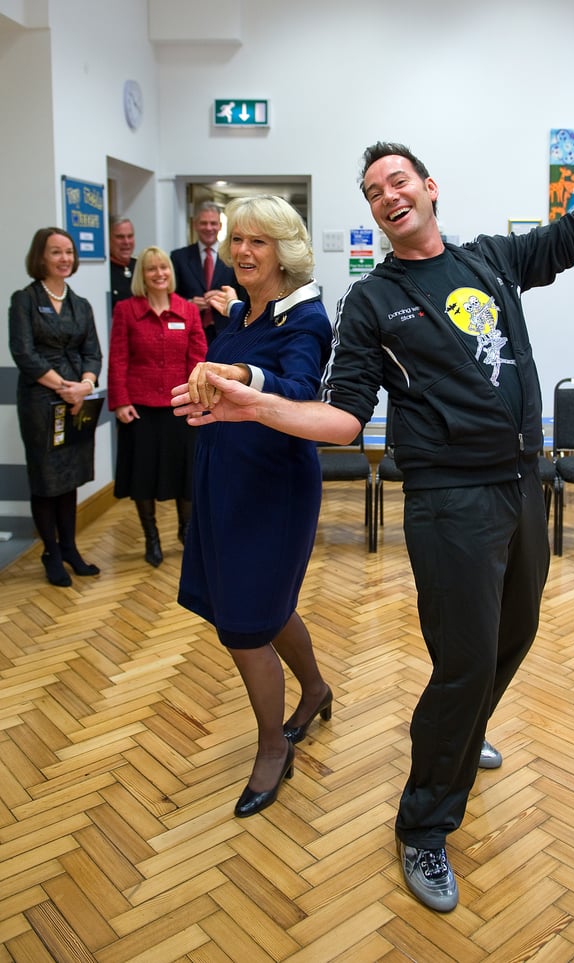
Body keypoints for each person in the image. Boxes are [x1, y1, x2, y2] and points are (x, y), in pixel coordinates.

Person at [173, 117, 574, 911]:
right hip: (448, 502)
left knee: (516, 634)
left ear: (429, 187)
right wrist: (258, 406)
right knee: (465, 661)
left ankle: (463, 727)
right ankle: (423, 824)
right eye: (374, 193)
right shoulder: (374, 301)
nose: (386, 197)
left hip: (522, 484)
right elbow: (343, 419)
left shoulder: (493, 259)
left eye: (398, 182)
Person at [177, 194, 333, 819]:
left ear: (284, 251)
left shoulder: (306, 318)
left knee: (245, 628)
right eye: (236, 240)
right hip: (224, 478)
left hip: (272, 487)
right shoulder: (242, 313)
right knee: (261, 607)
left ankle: (273, 748)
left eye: (257, 242)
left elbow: (300, 390)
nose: (241, 251)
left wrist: (240, 372)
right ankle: (316, 689)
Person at [9, 227, 103, 588]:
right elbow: (24, 353)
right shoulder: (25, 300)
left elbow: (92, 351)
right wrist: (63, 386)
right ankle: (50, 552)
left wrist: (86, 384)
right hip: (41, 400)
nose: (64, 258)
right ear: (41, 257)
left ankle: (70, 548)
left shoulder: (81, 304)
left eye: (68, 252)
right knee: (46, 478)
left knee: (71, 476)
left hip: (78, 398)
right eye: (56, 252)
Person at [108, 247, 207, 566]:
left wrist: (197, 399)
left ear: (171, 271)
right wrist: (120, 401)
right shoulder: (126, 310)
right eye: (151, 269)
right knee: (143, 477)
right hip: (140, 409)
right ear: (143, 275)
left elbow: (198, 358)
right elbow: (119, 357)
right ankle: (151, 539)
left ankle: (186, 532)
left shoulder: (188, 310)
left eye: (163, 267)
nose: (159, 273)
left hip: (180, 405)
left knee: (185, 475)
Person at [171, 201, 239, 343]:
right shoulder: (179, 257)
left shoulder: (234, 256)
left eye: (213, 223)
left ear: (220, 226)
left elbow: (245, 296)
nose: (209, 228)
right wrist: (188, 304)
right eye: (203, 223)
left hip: (226, 332)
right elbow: (169, 296)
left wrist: (226, 298)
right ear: (195, 225)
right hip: (189, 332)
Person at [109, 215, 137, 307]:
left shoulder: (140, 266)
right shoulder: (105, 271)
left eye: (130, 236)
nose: (126, 242)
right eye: (120, 237)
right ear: (108, 239)